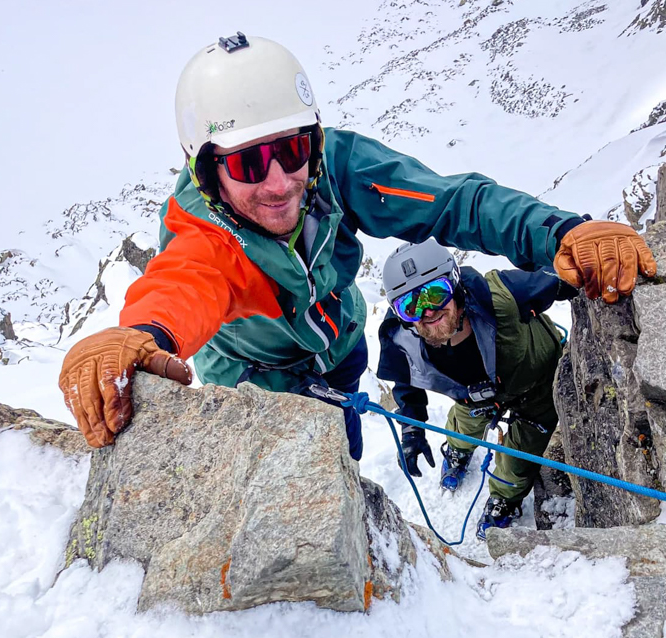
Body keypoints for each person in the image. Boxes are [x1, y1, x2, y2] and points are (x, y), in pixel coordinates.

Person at [58, 31, 656, 463]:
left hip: (339, 354)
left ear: (313, 141)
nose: (277, 183)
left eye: (290, 150)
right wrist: (139, 335)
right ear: (208, 171)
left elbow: (451, 204)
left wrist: (561, 231)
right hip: (251, 381)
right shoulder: (205, 231)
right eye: (246, 162)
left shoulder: (337, 168)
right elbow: (179, 285)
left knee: (340, 453)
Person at [376, 239, 578, 539]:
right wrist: (412, 429)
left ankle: (504, 499)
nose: (427, 311)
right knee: (463, 425)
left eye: (435, 293)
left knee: (517, 460)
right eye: (410, 305)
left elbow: (564, 277)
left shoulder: (503, 294)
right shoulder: (402, 341)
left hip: (536, 387)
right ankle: (458, 452)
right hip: (474, 396)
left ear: (455, 285)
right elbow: (406, 379)